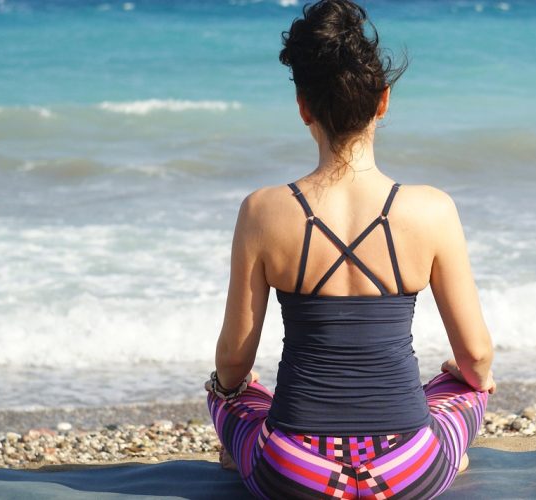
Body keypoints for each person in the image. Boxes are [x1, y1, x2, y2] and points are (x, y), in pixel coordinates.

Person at [205, 1, 495, 498]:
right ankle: (450, 456)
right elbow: (476, 357)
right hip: (406, 470)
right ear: (383, 101)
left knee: (228, 394)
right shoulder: (432, 210)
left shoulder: (262, 211)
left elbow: (233, 363)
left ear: (304, 108)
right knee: (467, 389)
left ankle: (243, 451)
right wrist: (466, 377)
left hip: (294, 473)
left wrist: (233, 389)